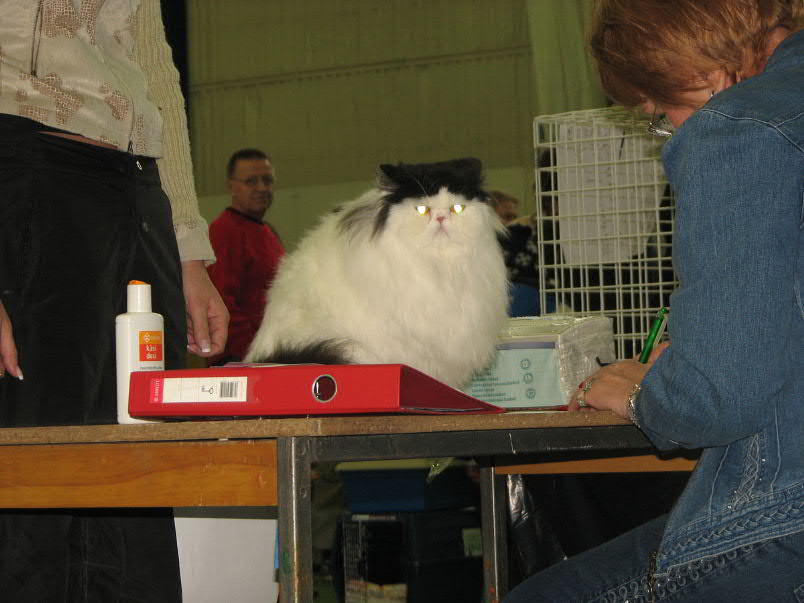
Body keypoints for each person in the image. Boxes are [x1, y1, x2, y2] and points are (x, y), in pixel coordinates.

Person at [506, 1, 804, 601]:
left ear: (696, 66)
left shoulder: (738, 130)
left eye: (659, 109)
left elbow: (718, 398)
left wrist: (646, 394)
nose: (671, 124)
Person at [0, 0, 228, 600]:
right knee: (34, 474)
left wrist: (188, 249)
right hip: (28, 167)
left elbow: (155, 69)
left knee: (138, 469)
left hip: (139, 188)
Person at [207, 148, 285, 364]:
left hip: (266, 354)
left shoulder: (265, 231)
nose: (262, 188)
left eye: (267, 180)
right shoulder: (225, 231)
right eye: (251, 181)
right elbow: (223, 300)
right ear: (231, 186)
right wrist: (253, 356)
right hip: (242, 360)